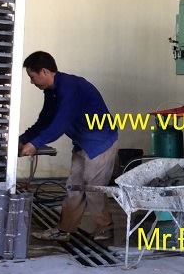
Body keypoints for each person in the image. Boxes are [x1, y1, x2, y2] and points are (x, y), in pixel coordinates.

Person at [19, 51, 118, 242]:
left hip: (101, 142)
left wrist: (35, 144)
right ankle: (65, 229)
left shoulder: (70, 87)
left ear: (44, 71)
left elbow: (60, 124)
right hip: (82, 142)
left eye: (32, 76)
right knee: (74, 187)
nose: (31, 82)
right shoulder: (52, 92)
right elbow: (44, 121)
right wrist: (23, 140)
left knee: (93, 189)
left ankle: (105, 229)